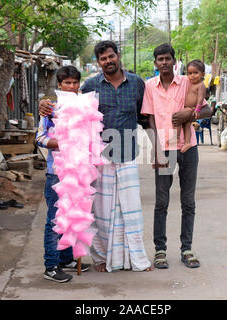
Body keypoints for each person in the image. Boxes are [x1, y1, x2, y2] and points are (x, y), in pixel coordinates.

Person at [39, 40, 152, 273]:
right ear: (98, 62)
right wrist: (44, 104)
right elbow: (68, 106)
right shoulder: (91, 86)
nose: (108, 61)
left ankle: (136, 258)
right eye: (103, 59)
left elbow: (145, 116)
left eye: (111, 56)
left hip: (129, 154)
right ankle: (102, 258)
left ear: (118, 55)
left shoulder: (137, 83)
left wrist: (158, 147)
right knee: (101, 212)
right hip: (100, 158)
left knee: (131, 210)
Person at [141, 43, 211, 270]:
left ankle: (186, 249)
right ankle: (160, 250)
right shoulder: (150, 86)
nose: (163, 62)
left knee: (188, 201)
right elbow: (149, 119)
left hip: (188, 149)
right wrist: (156, 149)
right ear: (155, 63)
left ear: (174, 61)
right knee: (161, 202)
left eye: (167, 59)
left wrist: (189, 113)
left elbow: (208, 109)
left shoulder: (188, 81)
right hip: (165, 148)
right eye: (159, 59)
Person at [36, 65, 91, 283]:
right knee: (54, 220)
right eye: (66, 83)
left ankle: (66, 258)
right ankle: (50, 265)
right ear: (59, 85)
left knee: (71, 217)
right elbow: (39, 138)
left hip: (78, 172)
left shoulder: (84, 107)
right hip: (56, 172)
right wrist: (61, 142)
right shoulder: (51, 109)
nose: (71, 86)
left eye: (74, 82)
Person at [180, 59, 207, 153]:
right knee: (179, 121)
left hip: (192, 109)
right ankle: (176, 139)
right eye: (190, 73)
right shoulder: (188, 83)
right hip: (186, 107)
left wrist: (197, 109)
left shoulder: (201, 85)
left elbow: (200, 98)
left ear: (202, 74)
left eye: (195, 73)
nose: (192, 75)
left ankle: (187, 142)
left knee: (187, 124)